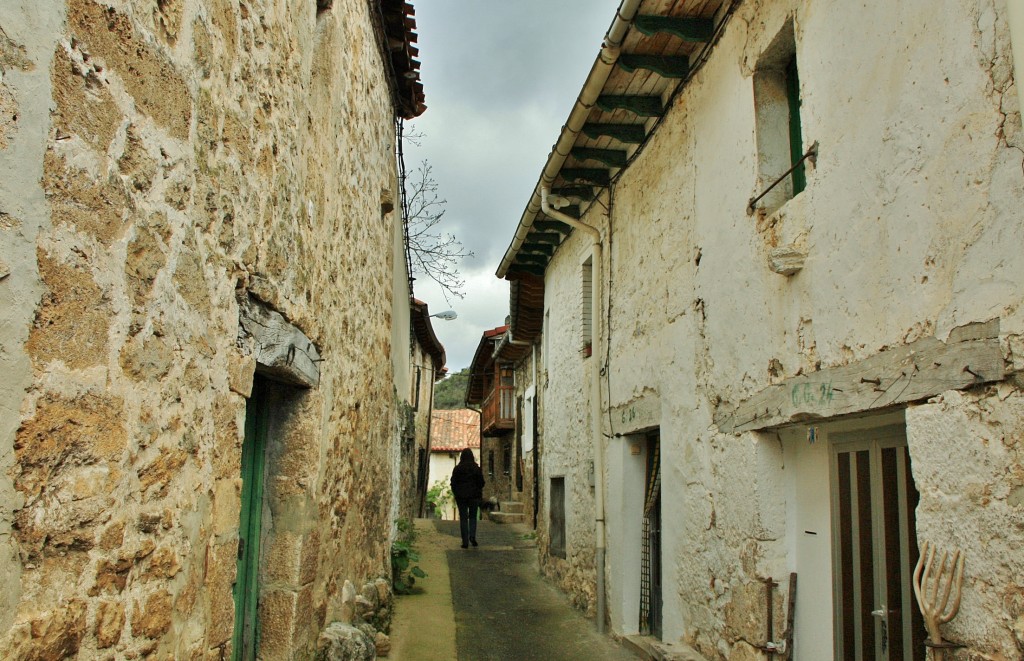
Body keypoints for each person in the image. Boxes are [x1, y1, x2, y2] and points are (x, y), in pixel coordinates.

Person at [450, 448, 485, 548]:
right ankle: (472, 537)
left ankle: (465, 542)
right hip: (474, 497)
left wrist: (456, 493)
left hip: (461, 497)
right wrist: (477, 490)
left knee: (464, 518)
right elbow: (482, 482)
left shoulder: (457, 469)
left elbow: (453, 483)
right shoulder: (476, 468)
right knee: (473, 517)